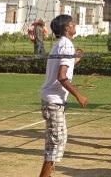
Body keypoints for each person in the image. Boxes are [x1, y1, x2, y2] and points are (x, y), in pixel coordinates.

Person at [38, 15, 87, 177]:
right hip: (54, 102)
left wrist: (75, 59)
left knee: (56, 143)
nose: (75, 25)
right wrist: (78, 95)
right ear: (67, 28)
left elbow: (61, 69)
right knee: (55, 145)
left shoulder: (60, 44)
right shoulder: (66, 45)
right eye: (73, 23)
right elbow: (61, 76)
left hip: (51, 100)